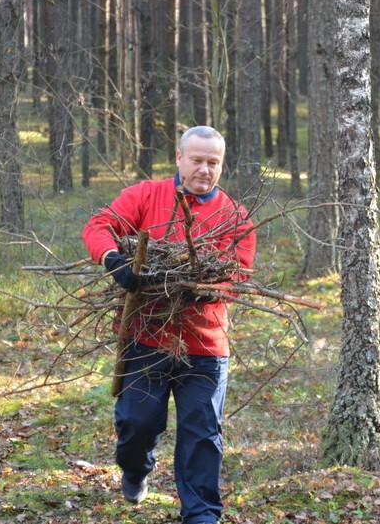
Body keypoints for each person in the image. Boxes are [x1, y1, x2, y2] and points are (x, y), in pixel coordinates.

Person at [82, 126, 256, 524]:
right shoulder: (146, 195)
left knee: (202, 433)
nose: (204, 169)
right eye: (197, 160)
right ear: (179, 158)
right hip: (146, 336)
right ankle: (135, 468)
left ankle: (201, 514)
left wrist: (205, 291)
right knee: (137, 422)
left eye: (213, 162)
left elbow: (239, 275)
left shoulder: (234, 216)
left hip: (205, 344)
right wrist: (113, 260)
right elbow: (99, 226)